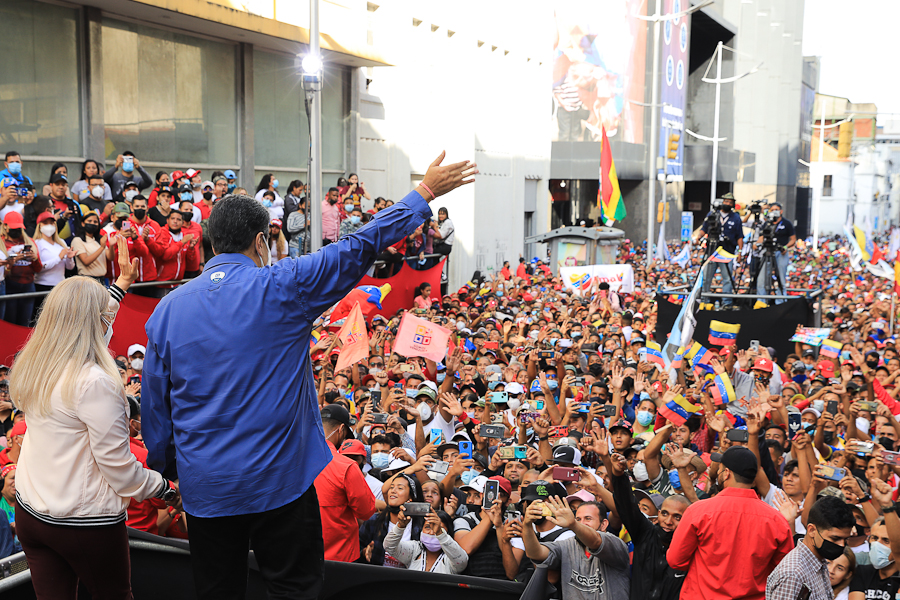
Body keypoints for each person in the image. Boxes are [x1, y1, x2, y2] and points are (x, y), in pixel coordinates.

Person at [141, 152, 476, 600]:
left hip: (208, 490)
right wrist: (424, 194)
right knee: (295, 590)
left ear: (209, 242)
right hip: (281, 484)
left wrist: (170, 470)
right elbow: (359, 245)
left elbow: (155, 409)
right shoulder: (283, 284)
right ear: (261, 243)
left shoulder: (167, 310)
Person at [9, 238, 179, 600]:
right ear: (95, 321)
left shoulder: (37, 363)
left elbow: (86, 319)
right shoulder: (95, 382)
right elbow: (117, 467)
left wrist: (121, 286)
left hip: (30, 514)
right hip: (83, 523)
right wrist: (164, 489)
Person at [667, 446, 793, 600]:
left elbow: (675, 561)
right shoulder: (777, 520)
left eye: (719, 470)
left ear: (727, 473)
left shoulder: (699, 511)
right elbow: (783, 573)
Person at [608, 451, 689, 600]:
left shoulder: (691, 549)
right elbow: (626, 505)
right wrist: (618, 475)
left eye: (677, 517)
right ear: (657, 515)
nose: (668, 521)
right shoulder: (645, 534)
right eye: (664, 513)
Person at [521, 496, 630, 600]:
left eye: (588, 519)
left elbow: (596, 541)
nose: (582, 523)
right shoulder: (567, 545)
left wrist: (573, 524)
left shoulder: (615, 543)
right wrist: (527, 525)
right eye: (578, 519)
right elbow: (536, 553)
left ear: (603, 524)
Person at [313, 405, 376, 562]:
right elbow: (367, 510)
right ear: (341, 429)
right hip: (339, 558)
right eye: (346, 435)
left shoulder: (291, 459)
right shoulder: (346, 466)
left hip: (297, 555)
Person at [766, 496, 856, 600]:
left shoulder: (819, 563)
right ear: (812, 530)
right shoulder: (793, 575)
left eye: (845, 540)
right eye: (835, 538)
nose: (841, 545)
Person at [848, 478, 900, 599]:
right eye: (874, 538)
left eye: (886, 540)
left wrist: (887, 506)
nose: (877, 544)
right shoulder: (862, 571)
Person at [385, 506, 468, 574]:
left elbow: (462, 562)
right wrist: (400, 526)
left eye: (439, 528)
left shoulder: (450, 557)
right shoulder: (415, 550)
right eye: (427, 527)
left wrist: (440, 533)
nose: (432, 532)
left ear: (448, 532)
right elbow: (389, 546)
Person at [693, 192, 743, 306]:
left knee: (727, 279)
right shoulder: (712, 214)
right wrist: (698, 237)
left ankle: (726, 303)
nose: (727, 204)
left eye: (730, 202)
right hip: (712, 251)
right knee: (707, 277)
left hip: (727, 252)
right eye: (726, 201)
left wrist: (740, 252)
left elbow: (740, 236)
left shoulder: (736, 217)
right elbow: (704, 228)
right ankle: (704, 301)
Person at [31, 211, 76, 323]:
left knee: (60, 320)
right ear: (39, 225)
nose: (49, 226)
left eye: (52, 223)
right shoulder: (37, 243)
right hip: (43, 286)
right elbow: (39, 268)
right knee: (43, 321)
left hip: (60, 286)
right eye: (45, 223)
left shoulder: (61, 243)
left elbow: (70, 267)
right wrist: (59, 257)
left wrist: (69, 258)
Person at [2, 211, 42, 326]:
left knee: (25, 323)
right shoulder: (2, 242)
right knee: (10, 323)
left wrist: (34, 258)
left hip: (28, 285)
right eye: (13, 227)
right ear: (5, 226)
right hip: (10, 285)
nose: (16, 230)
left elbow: (38, 269)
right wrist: (12, 262)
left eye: (19, 228)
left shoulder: (29, 242)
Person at [756, 202, 796, 300]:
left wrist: (786, 247)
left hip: (781, 252)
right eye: (772, 210)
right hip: (768, 251)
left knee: (781, 277)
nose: (774, 212)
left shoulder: (787, 223)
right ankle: (761, 301)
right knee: (762, 278)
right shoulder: (767, 223)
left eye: (776, 210)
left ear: (781, 211)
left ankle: (781, 301)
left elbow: (793, 239)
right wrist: (756, 244)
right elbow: (761, 237)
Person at [71, 212, 109, 284]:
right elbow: (86, 261)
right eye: (89, 221)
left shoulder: (99, 239)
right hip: (87, 280)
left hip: (101, 279)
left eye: (95, 222)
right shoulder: (77, 240)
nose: (92, 223)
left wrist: (112, 245)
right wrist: (102, 248)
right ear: (83, 223)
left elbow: (110, 257)